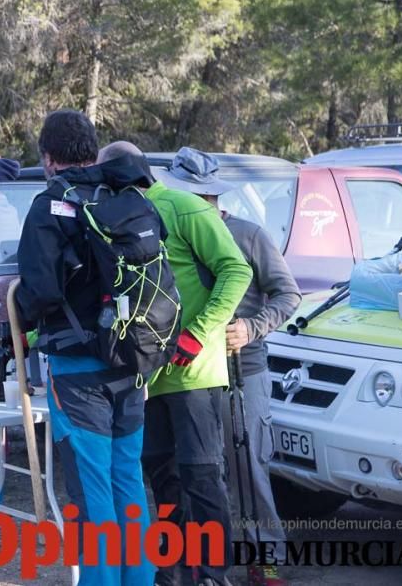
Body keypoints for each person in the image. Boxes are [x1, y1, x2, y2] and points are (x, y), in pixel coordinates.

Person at [97, 141, 252, 586]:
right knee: (162, 479)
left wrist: (198, 334)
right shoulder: (110, 218)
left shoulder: (183, 208)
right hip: (144, 374)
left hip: (193, 369)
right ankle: (173, 570)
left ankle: (214, 575)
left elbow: (235, 270)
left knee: (201, 476)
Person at [15, 110, 157, 586]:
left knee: (92, 496)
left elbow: (39, 293)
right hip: (132, 360)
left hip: (77, 369)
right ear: (93, 154)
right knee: (128, 485)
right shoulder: (125, 195)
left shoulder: (50, 204)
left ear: (48, 158)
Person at [162, 148, 299, 586]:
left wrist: (252, 327)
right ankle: (200, 563)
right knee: (200, 471)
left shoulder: (249, 235)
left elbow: (288, 295)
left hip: (244, 367)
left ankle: (267, 556)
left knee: (248, 467)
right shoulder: (167, 232)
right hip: (187, 372)